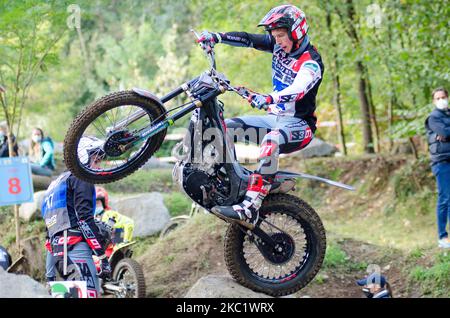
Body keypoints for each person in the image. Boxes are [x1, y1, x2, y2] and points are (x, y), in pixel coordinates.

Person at [199, 5, 324, 224]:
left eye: (281, 36)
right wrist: (216, 37)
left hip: (299, 126)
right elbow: (247, 39)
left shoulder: (311, 61)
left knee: (271, 141)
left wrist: (268, 98)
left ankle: (251, 207)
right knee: (222, 128)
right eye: (274, 37)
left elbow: (298, 90)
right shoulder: (278, 46)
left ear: (296, 32)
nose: (277, 41)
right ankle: (229, 186)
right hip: (274, 118)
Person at [42, 137, 111, 298]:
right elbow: (84, 220)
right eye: (96, 159)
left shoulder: (55, 184)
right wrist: (102, 257)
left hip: (60, 257)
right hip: (77, 250)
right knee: (91, 294)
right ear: (83, 156)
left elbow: (49, 236)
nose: (98, 165)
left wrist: (50, 275)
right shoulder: (81, 178)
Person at [425, 87, 450, 249]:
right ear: (434, 101)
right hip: (442, 163)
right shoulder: (433, 117)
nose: (441, 100)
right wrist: (445, 134)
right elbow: (443, 132)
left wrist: (446, 135)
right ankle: (442, 236)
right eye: (438, 98)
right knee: (445, 199)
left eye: (444, 97)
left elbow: (446, 134)